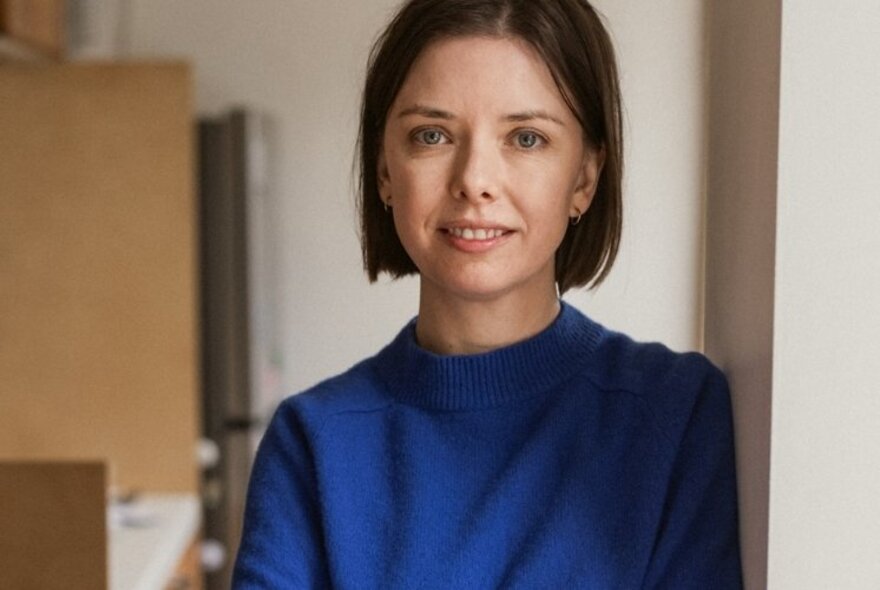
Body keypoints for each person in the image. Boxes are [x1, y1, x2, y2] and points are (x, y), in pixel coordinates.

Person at [232, 0, 743, 588]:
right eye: (432, 135)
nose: (474, 180)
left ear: (584, 178)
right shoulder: (312, 442)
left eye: (526, 138)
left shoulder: (673, 414)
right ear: (384, 172)